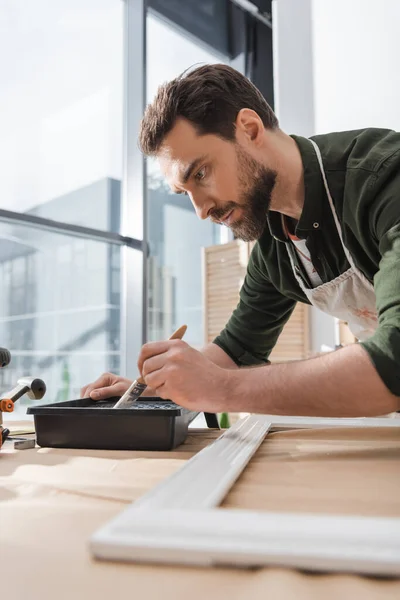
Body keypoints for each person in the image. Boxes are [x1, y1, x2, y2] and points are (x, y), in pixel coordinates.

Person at [81, 64, 400, 418]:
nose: (200, 210)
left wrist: (219, 389)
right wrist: (152, 387)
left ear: (249, 129)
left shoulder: (384, 178)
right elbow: (236, 351)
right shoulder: (273, 244)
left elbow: (396, 357)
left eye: (200, 173)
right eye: (184, 192)